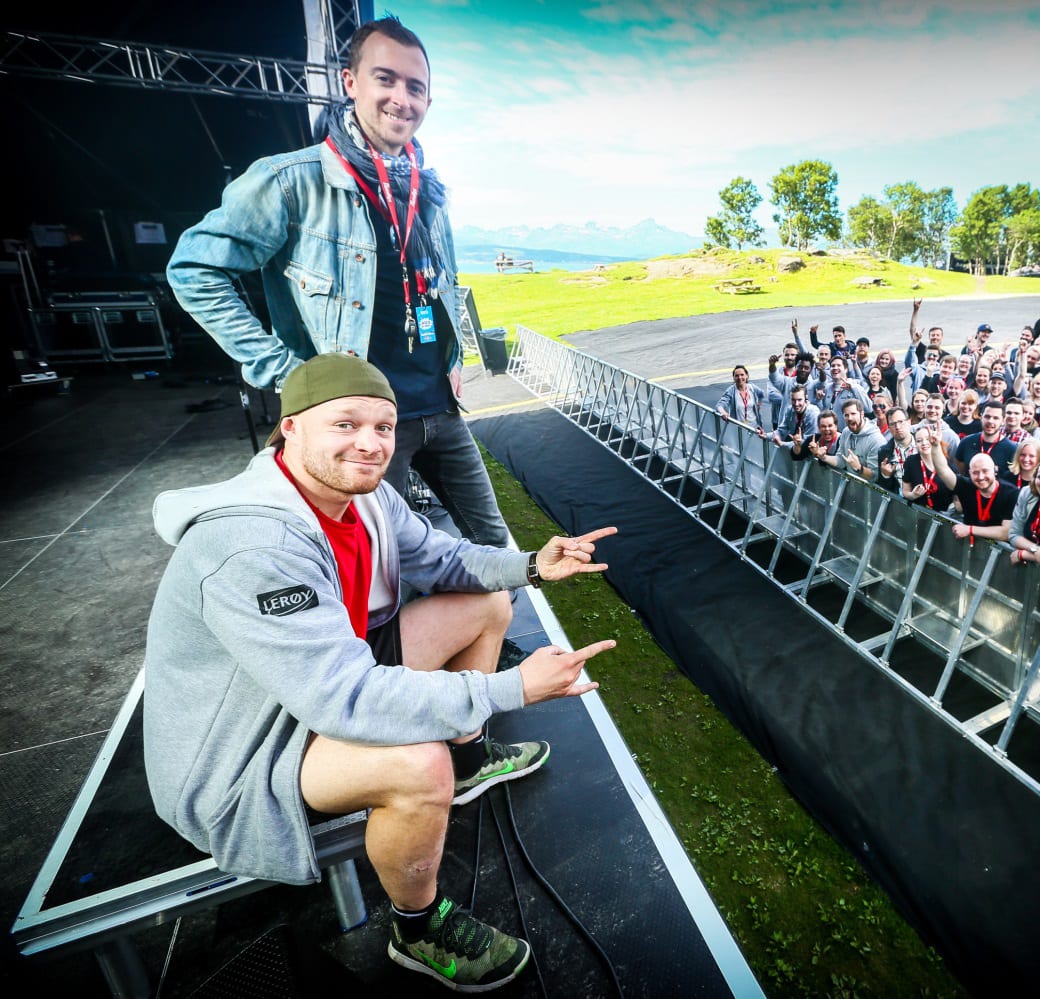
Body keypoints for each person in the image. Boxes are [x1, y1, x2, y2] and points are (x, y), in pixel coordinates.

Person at [142, 353, 616, 992]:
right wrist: (512, 688)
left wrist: (530, 565)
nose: (370, 444)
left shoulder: (366, 498)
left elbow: (443, 559)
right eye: (345, 424)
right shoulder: (252, 546)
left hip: (316, 679)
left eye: (384, 427)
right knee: (418, 763)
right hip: (247, 745)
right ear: (290, 428)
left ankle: (468, 759)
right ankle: (417, 929)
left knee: (486, 604)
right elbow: (343, 698)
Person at [168, 18, 510, 550]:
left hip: (439, 408)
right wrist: (288, 373)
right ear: (350, 82)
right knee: (386, 568)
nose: (401, 99)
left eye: (415, 87)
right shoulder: (290, 180)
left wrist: (453, 357)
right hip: (358, 423)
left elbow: (443, 281)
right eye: (385, 79)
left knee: (494, 545)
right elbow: (194, 270)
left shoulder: (428, 190)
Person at [929, 447, 1018, 545]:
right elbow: (943, 470)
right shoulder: (966, 486)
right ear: (970, 473)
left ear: (995, 470)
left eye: (985, 471)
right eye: (975, 473)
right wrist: (935, 446)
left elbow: (1005, 533)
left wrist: (970, 530)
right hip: (969, 547)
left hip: (998, 550)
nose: (981, 477)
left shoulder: (1011, 493)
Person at [901, 427, 955, 513]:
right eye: (919, 441)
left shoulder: (948, 466)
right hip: (918, 512)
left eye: (928, 439)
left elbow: (956, 498)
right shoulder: (911, 461)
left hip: (941, 516)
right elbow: (905, 491)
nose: (924, 443)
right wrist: (913, 495)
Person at [876, 405, 920, 493]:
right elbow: (884, 489)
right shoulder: (884, 452)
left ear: (909, 422)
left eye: (901, 422)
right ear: (888, 427)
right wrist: (886, 476)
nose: (898, 427)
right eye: (892, 424)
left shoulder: (922, 444)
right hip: (899, 497)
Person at [715, 364, 768, 433]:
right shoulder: (731, 391)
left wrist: (759, 403)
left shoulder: (752, 387)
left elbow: (761, 393)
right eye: (736, 376)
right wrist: (723, 412)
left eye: (742, 375)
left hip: (754, 428)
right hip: (739, 430)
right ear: (734, 378)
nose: (740, 377)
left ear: (747, 376)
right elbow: (719, 405)